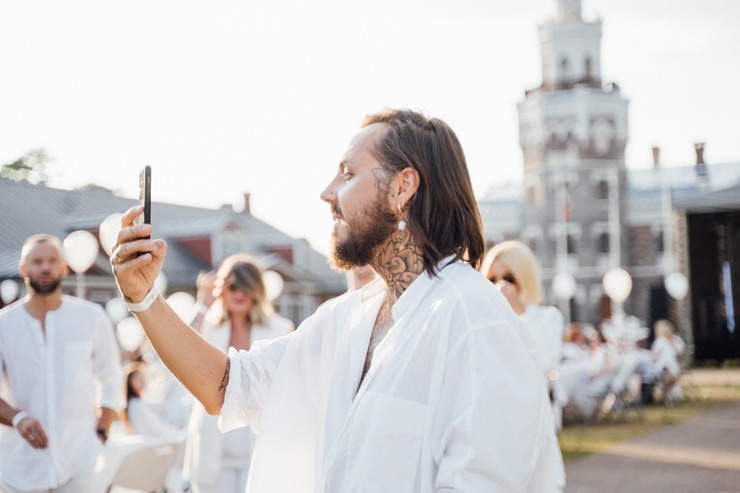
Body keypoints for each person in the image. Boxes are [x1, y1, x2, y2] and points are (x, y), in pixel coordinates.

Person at [109, 108, 566, 492]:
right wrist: (144, 297)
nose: (328, 192)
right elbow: (228, 388)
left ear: (403, 187)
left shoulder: (474, 321)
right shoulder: (345, 320)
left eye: (348, 173)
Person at [0, 234, 123, 493]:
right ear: (23, 268)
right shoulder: (3, 324)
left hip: (80, 462)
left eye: (52, 261)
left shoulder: (92, 317)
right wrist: (18, 418)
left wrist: (101, 434)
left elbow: (111, 377)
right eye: (37, 261)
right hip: (19, 468)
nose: (45, 267)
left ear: (64, 267)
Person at [183, 254, 294, 493]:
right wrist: (202, 303)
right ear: (222, 289)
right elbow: (180, 350)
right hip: (212, 445)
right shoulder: (207, 326)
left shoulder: (280, 328)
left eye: (246, 285)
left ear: (257, 290)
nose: (239, 293)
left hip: (258, 444)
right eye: (233, 286)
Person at [481, 240, 566, 380]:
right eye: (492, 279)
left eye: (509, 279)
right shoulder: (484, 321)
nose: (501, 285)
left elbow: (546, 364)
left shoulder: (548, 317)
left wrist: (518, 309)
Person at [120, 361, 183, 437]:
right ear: (130, 383)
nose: (142, 380)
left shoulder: (136, 403)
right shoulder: (136, 405)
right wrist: (175, 432)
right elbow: (154, 428)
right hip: (153, 443)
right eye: (138, 378)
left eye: (142, 377)